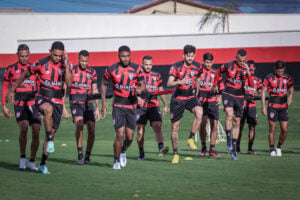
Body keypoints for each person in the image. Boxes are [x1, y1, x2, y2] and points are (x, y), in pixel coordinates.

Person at [6, 41, 72, 174]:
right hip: (42, 97)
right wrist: (13, 89)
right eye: (55, 55)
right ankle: (48, 140)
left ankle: (42, 164)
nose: (57, 58)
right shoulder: (41, 63)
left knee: (52, 133)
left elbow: (69, 83)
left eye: (60, 56)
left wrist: (65, 65)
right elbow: (25, 74)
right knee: (48, 110)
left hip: (57, 100)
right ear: (50, 51)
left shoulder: (65, 66)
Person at [100, 45, 145, 170]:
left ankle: (123, 150)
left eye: (128, 56)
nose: (126, 59)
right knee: (119, 134)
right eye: (123, 56)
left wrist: (139, 89)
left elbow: (143, 85)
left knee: (130, 137)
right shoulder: (112, 69)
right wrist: (103, 102)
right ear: (118, 56)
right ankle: (116, 161)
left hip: (131, 106)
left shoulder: (137, 68)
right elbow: (103, 84)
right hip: (118, 106)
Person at [2, 44, 41, 170]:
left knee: (36, 130)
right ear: (17, 55)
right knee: (23, 128)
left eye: (26, 56)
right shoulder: (11, 69)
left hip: (33, 104)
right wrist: (4, 105)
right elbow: (5, 87)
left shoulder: (34, 68)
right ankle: (23, 158)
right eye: (21, 56)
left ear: (29, 55)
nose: (24, 59)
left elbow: (41, 85)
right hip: (19, 104)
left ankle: (32, 162)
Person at [213, 49, 253, 160]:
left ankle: (234, 149)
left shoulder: (246, 68)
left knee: (237, 121)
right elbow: (218, 72)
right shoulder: (228, 65)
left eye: (244, 60)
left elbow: (250, 84)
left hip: (240, 96)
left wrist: (248, 72)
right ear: (236, 58)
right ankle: (229, 139)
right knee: (229, 114)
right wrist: (215, 84)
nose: (242, 62)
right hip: (228, 93)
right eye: (240, 60)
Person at [167, 44, 203, 164]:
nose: (190, 58)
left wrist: (197, 89)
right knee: (175, 127)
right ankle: (176, 153)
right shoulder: (176, 66)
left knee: (200, 112)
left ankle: (190, 138)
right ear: (183, 55)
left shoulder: (198, 66)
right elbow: (169, 83)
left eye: (192, 56)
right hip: (177, 99)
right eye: (188, 56)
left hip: (190, 97)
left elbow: (198, 77)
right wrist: (180, 81)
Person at [69, 50, 100, 164]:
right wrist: (63, 106)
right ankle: (80, 154)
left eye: (86, 61)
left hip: (88, 103)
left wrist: (97, 107)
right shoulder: (72, 70)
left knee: (91, 128)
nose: (84, 63)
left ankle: (87, 156)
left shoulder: (92, 72)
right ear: (78, 59)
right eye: (82, 60)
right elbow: (65, 87)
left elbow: (95, 89)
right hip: (76, 102)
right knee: (79, 123)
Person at [136, 55, 169, 160]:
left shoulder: (157, 75)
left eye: (150, 64)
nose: (148, 66)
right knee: (140, 131)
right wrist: (137, 98)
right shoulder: (137, 76)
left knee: (157, 126)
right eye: (146, 64)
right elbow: (132, 90)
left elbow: (161, 90)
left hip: (154, 106)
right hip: (141, 107)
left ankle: (161, 149)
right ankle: (141, 153)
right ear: (142, 64)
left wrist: (165, 104)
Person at [261, 60, 293, 157]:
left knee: (284, 130)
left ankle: (279, 147)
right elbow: (263, 92)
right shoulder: (269, 77)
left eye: (282, 71)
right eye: (278, 71)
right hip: (272, 106)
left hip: (283, 107)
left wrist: (290, 98)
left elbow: (291, 90)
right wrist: (263, 106)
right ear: (275, 69)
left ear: (284, 69)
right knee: (272, 128)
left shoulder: (287, 78)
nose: (280, 73)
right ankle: (271, 149)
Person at [198, 53, 223, 158]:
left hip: (213, 102)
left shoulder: (216, 73)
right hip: (201, 102)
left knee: (215, 125)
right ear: (203, 61)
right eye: (207, 62)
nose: (208, 64)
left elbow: (221, 86)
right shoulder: (199, 72)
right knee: (202, 124)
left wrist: (220, 96)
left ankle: (212, 149)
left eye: (210, 62)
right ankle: (203, 146)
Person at [237, 60, 262, 154]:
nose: (250, 70)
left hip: (252, 107)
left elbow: (260, 94)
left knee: (252, 127)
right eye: (248, 68)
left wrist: (255, 97)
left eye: (252, 68)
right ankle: (237, 147)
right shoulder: (242, 79)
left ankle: (250, 148)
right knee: (240, 126)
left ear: (254, 68)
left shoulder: (258, 80)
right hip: (241, 105)